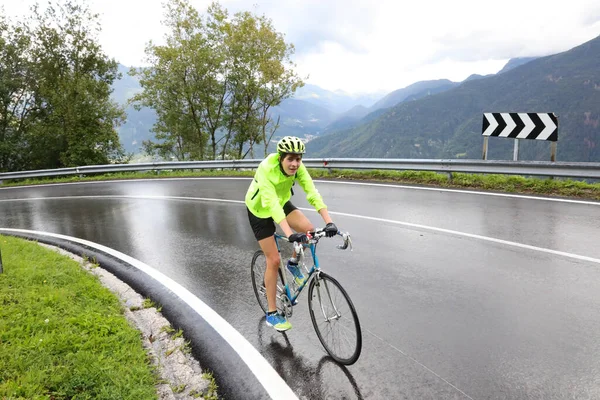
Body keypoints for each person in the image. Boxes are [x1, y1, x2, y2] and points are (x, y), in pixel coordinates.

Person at [245, 136, 338, 331]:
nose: (295, 164)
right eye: (290, 159)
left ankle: (294, 263)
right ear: (280, 158)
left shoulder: (298, 168)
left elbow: (312, 193)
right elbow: (271, 204)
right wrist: (289, 234)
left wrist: (329, 221)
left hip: (281, 201)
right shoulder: (266, 168)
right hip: (260, 209)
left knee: (309, 230)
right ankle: (271, 313)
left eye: (298, 159)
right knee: (273, 260)